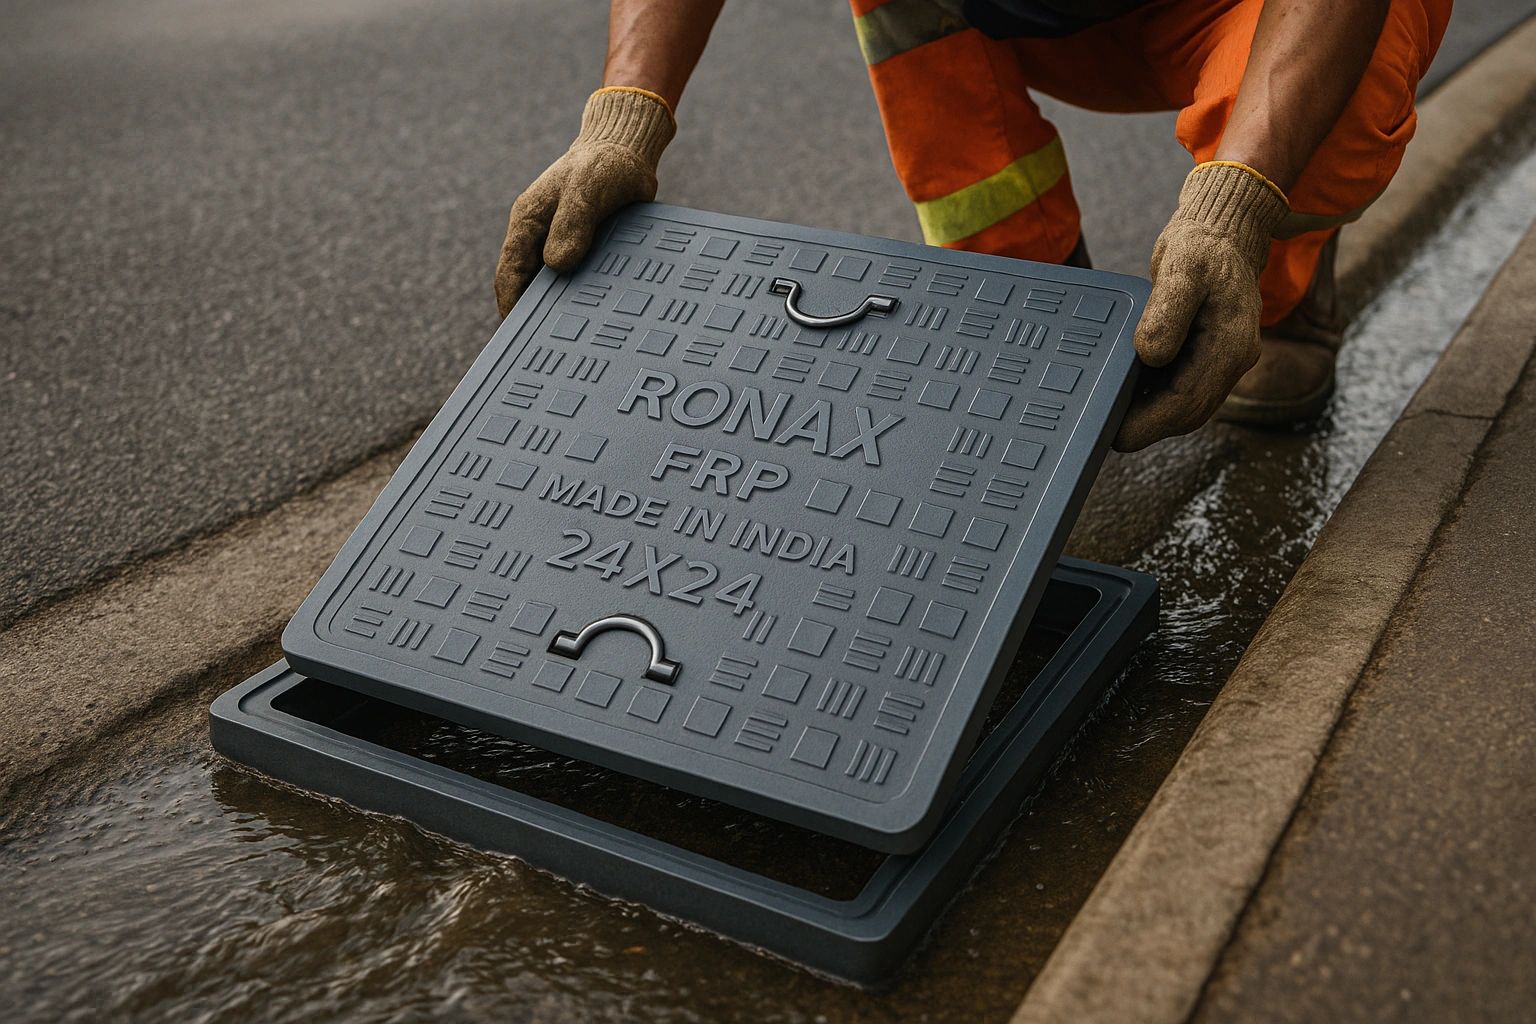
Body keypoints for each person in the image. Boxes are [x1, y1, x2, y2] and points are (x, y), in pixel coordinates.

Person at [494, 0, 1450, 451]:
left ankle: (1283, 297)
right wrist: (624, 118)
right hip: (1041, 15)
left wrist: (1233, 210)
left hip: (1253, 15)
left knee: (1344, 92)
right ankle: (1040, 324)